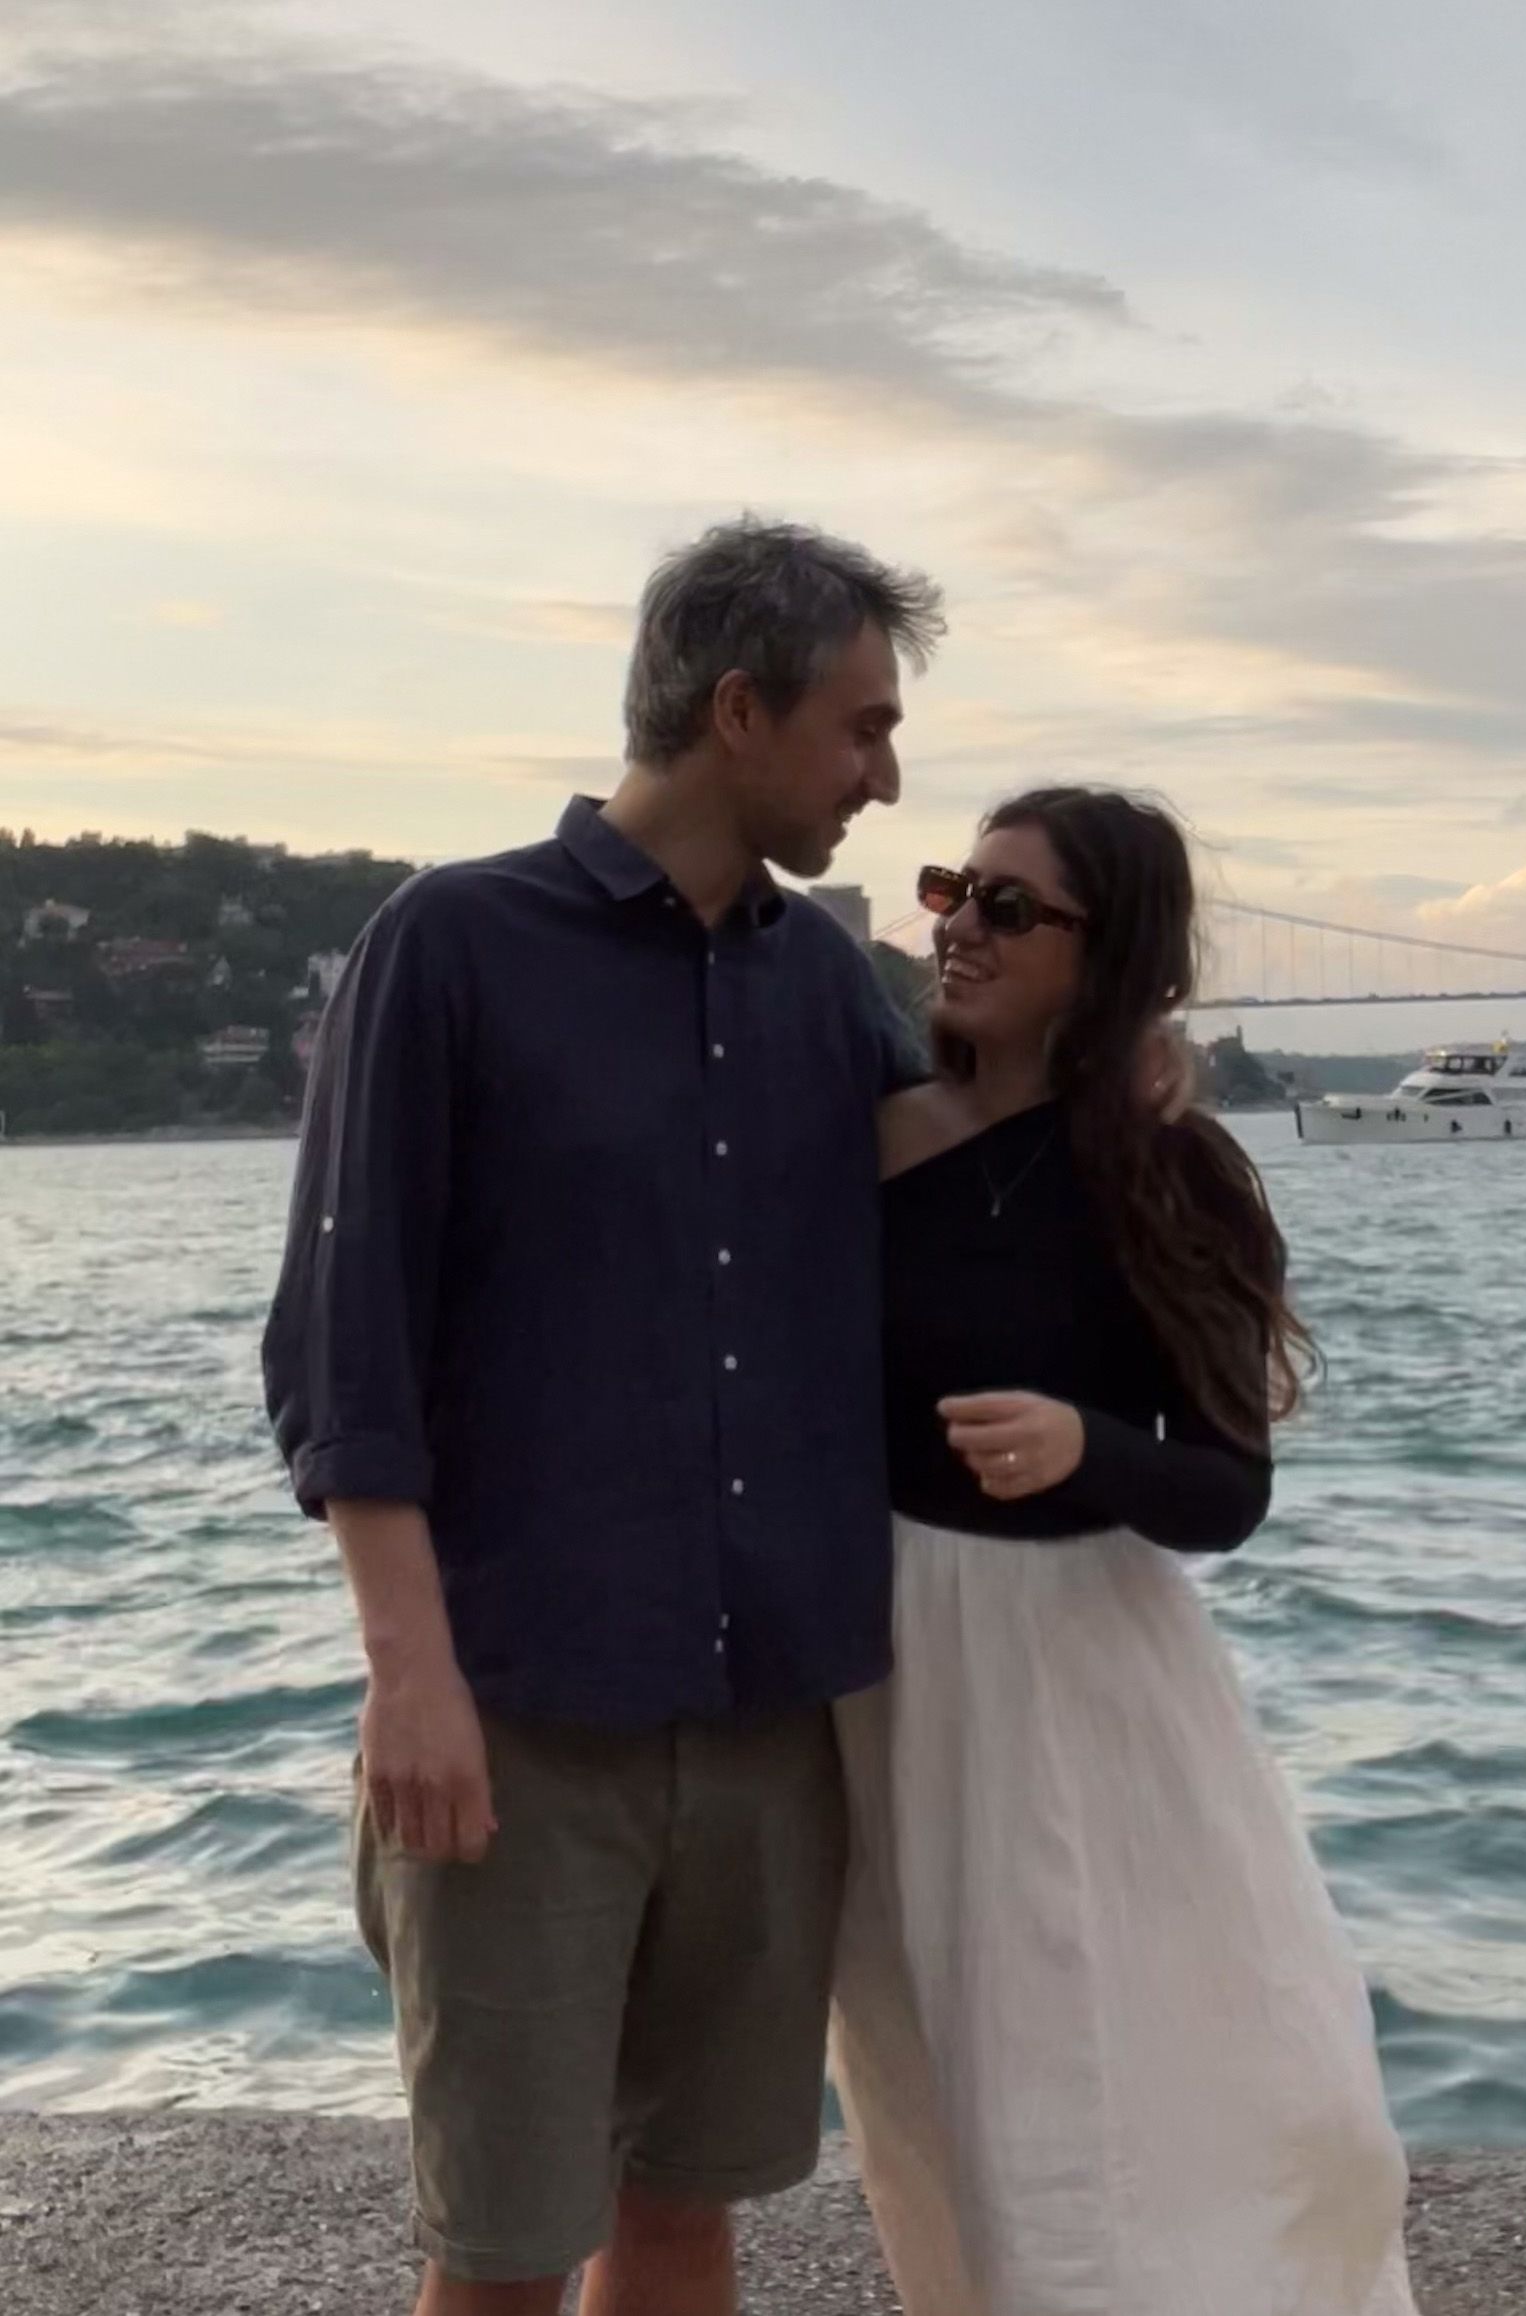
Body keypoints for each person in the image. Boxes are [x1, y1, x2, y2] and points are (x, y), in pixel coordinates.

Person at [261, 517, 942, 2316]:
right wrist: (412, 1675)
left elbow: (971, 1219)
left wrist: (1116, 1054)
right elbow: (347, 1345)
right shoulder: (454, 943)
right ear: (740, 712)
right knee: (499, 2251)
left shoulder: (830, 989)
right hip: (516, 1721)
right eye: (862, 728)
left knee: (688, 2212)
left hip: (770, 1716)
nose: (887, 774)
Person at [833, 787, 1419, 2315]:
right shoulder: (870, 1140)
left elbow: (1229, 1488)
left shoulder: (1181, 1178)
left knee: (1276, 2089)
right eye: (960, 888)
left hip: (1095, 1671)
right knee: (969, 2114)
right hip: (890, 1675)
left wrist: (1088, 1445)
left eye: (1013, 907)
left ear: (1114, 960)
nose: (959, 923)